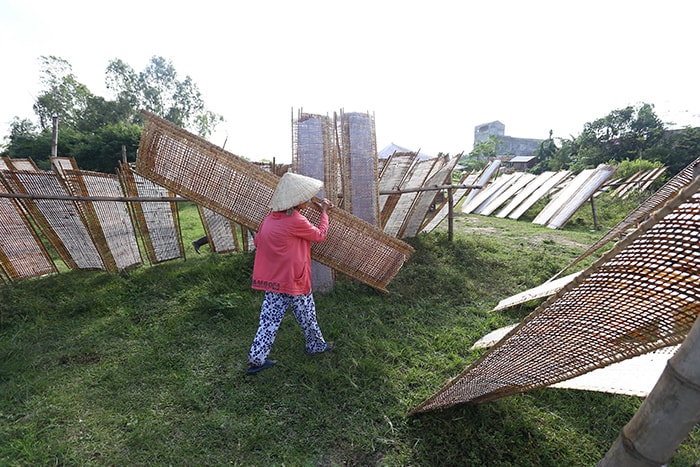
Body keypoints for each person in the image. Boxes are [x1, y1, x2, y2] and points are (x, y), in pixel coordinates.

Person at [246, 172, 334, 375]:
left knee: (268, 320)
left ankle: (256, 359)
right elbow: (320, 235)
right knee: (307, 315)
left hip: (273, 281)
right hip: (294, 280)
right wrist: (325, 213)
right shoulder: (296, 220)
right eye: (305, 197)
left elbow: (259, 242)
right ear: (296, 201)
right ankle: (315, 345)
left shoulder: (268, 219)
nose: (307, 199)